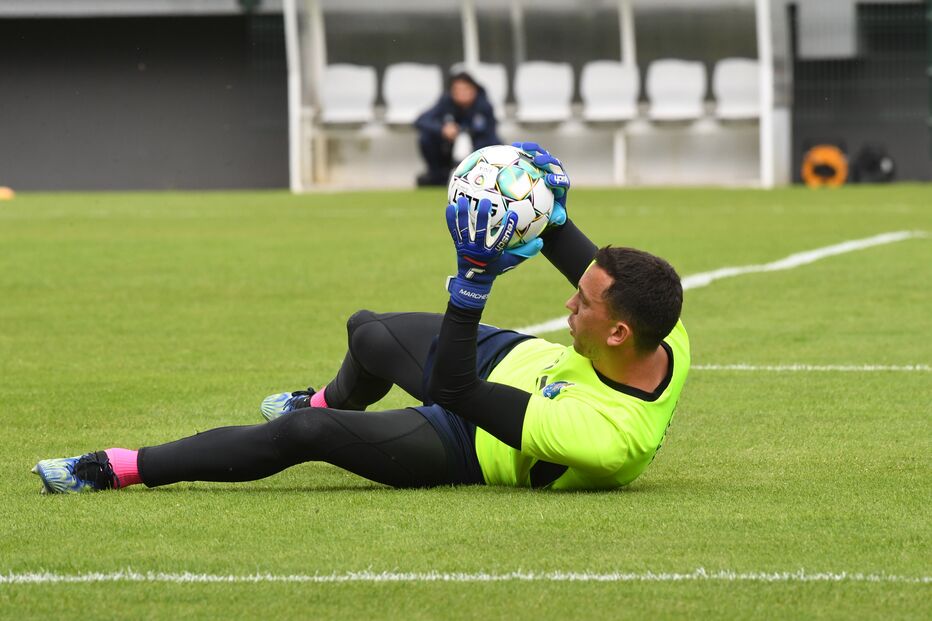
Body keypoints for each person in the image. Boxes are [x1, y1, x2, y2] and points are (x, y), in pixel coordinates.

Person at [32, 143, 689, 494]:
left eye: (583, 303)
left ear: (618, 332)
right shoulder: (659, 319)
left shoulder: (606, 438)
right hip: (512, 362)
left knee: (306, 434)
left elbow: (455, 391)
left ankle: (121, 467)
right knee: (367, 332)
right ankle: (322, 397)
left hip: (471, 441)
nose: (570, 300)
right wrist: (543, 196)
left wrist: (471, 282)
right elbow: (561, 237)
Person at [414, 71, 500, 187]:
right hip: (448, 152)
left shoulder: (484, 106)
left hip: (476, 154)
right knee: (426, 137)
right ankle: (438, 175)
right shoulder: (446, 102)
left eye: (465, 89)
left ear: (474, 89)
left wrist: (467, 134)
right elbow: (421, 120)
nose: (462, 94)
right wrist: (442, 129)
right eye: (457, 90)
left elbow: (490, 136)